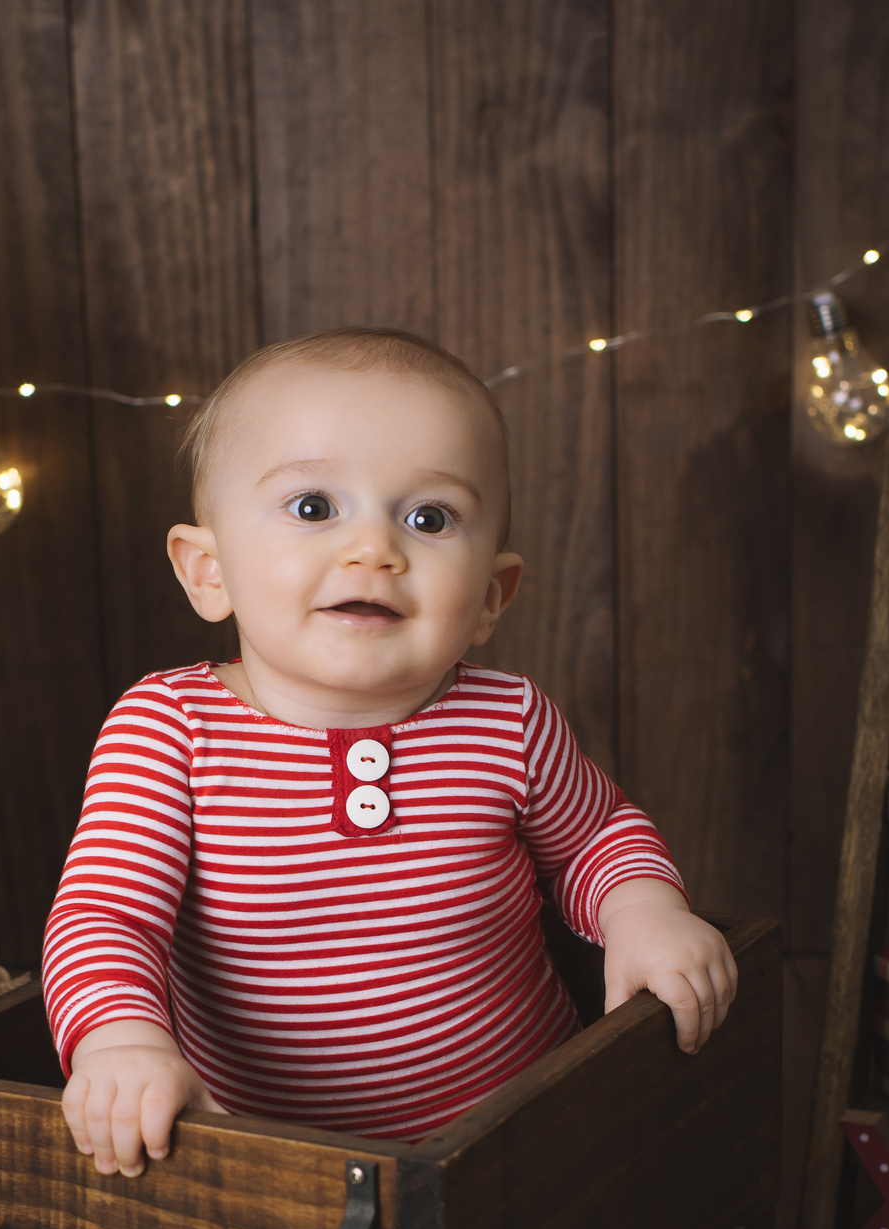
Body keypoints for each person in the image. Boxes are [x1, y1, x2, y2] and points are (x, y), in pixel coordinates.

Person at [44, 327, 738, 1176]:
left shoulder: (508, 720)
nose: (374, 550)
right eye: (313, 507)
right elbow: (106, 917)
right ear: (208, 571)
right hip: (275, 1169)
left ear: (490, 597)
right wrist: (122, 1042)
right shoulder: (171, 729)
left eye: (429, 518)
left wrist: (643, 912)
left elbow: (597, 838)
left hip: (520, 1139)